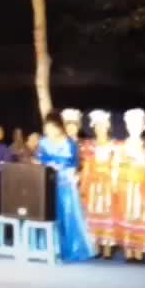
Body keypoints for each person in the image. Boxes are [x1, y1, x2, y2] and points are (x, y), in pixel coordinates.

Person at [35, 111, 95, 263]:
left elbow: (74, 164)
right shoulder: (43, 143)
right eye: (46, 127)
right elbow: (39, 160)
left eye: (51, 127)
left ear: (59, 127)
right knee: (49, 216)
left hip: (65, 185)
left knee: (68, 217)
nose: (48, 130)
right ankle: (48, 248)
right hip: (48, 186)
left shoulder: (70, 144)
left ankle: (71, 250)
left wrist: (61, 166)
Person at [113, 108, 145, 263]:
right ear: (127, 126)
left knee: (141, 218)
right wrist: (114, 185)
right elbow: (115, 167)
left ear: (144, 126)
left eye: (138, 124)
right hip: (125, 188)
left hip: (143, 190)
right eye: (131, 123)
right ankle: (128, 252)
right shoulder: (121, 147)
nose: (134, 127)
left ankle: (139, 252)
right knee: (127, 217)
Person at [80, 109, 117, 259]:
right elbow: (86, 168)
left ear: (108, 126)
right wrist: (83, 186)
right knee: (92, 215)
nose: (100, 128)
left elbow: (117, 166)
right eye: (97, 126)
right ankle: (95, 247)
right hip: (93, 185)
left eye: (102, 125)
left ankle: (107, 249)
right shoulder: (89, 146)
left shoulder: (115, 146)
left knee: (109, 215)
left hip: (108, 184)